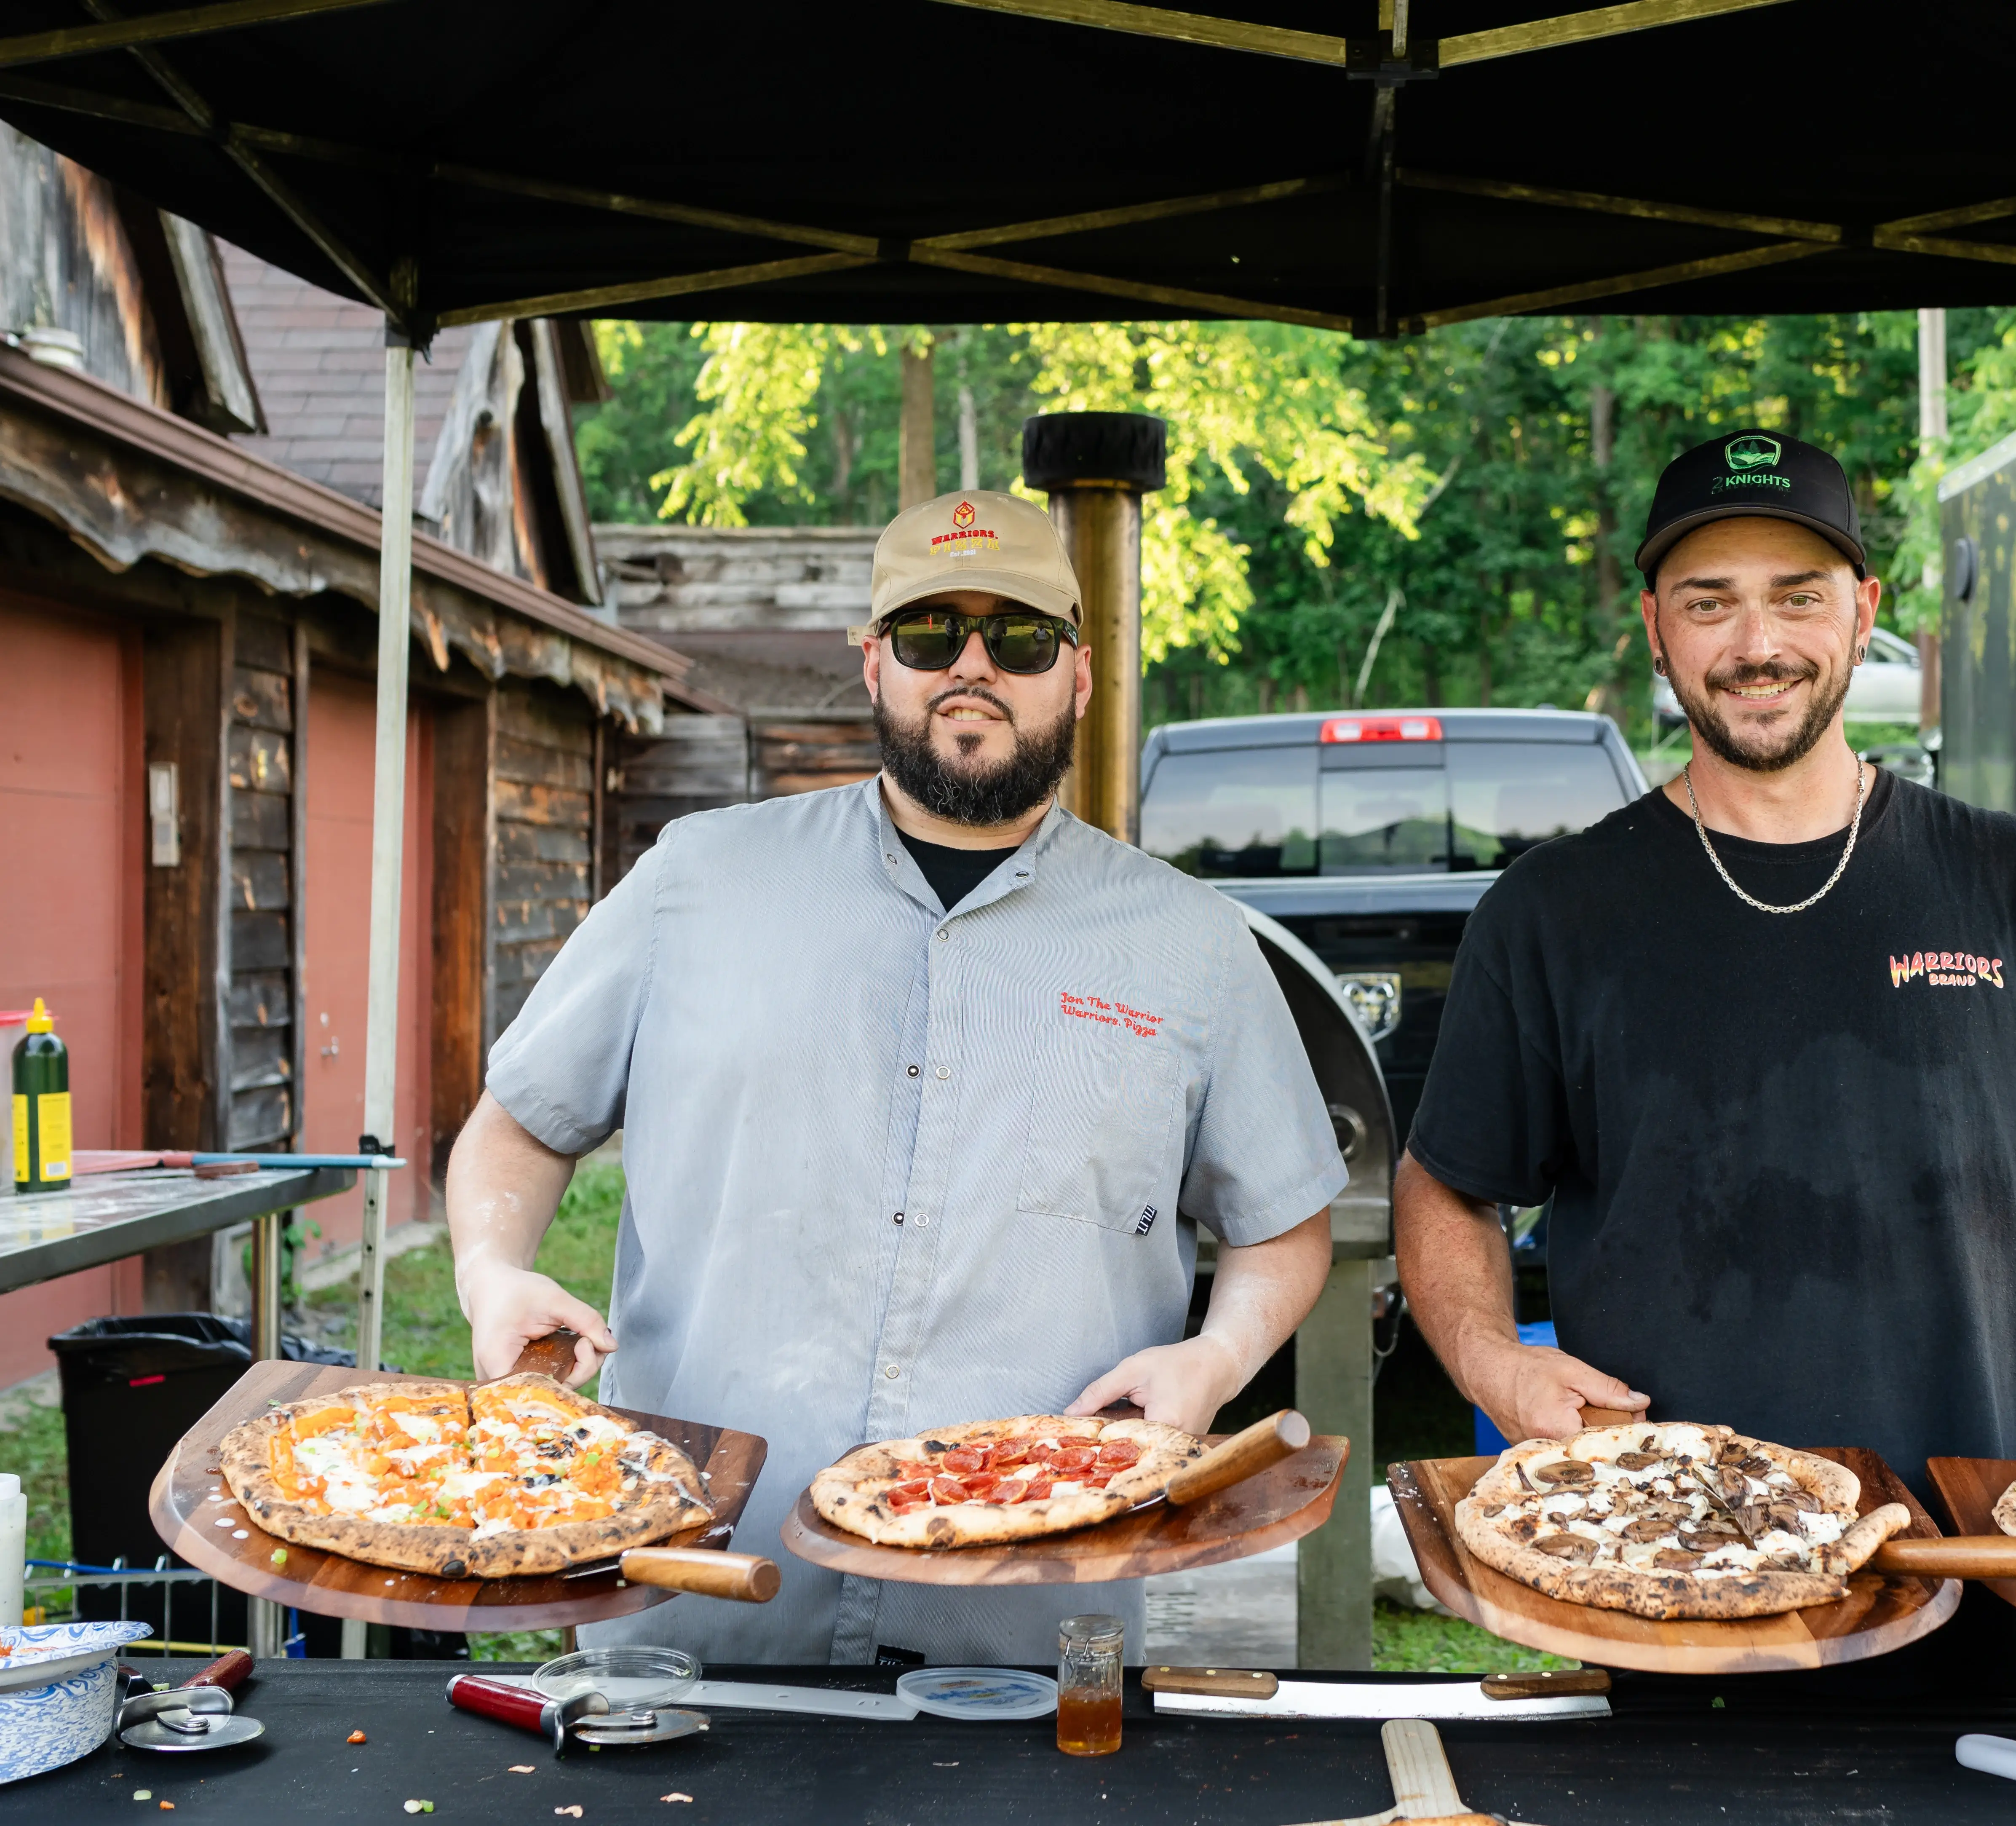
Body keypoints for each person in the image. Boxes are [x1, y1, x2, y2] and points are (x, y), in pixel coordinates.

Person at [444, 489, 1348, 1664]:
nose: (972, 667)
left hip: (1027, 1619)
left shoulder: (1192, 943)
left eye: (1018, 638)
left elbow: (1283, 1222)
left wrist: (1216, 1358)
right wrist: (487, 1272)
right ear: (874, 665)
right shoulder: (696, 881)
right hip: (702, 1601)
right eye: (930, 635)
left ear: (1078, 675)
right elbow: (518, 1127)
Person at [1394, 429, 2016, 1683]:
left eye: (1798, 596)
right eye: (1709, 603)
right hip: (1671, 1564)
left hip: (1998, 1550)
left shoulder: (2009, 876)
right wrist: (1491, 1360)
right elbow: (1448, 1182)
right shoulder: (1556, 907)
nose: (1756, 644)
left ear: (1862, 611)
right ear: (1655, 629)